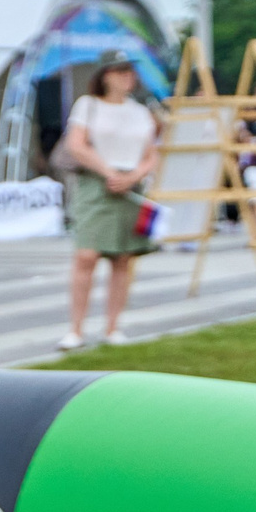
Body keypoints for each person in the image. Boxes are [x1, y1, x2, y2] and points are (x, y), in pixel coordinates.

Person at [60, 54, 160, 351]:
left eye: (130, 72)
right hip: (96, 182)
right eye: (120, 71)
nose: (127, 77)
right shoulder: (88, 105)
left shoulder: (140, 111)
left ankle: (112, 327)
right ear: (105, 75)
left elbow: (150, 154)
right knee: (86, 255)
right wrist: (108, 172)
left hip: (131, 185)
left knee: (123, 257)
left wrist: (133, 176)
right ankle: (76, 329)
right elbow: (76, 145)